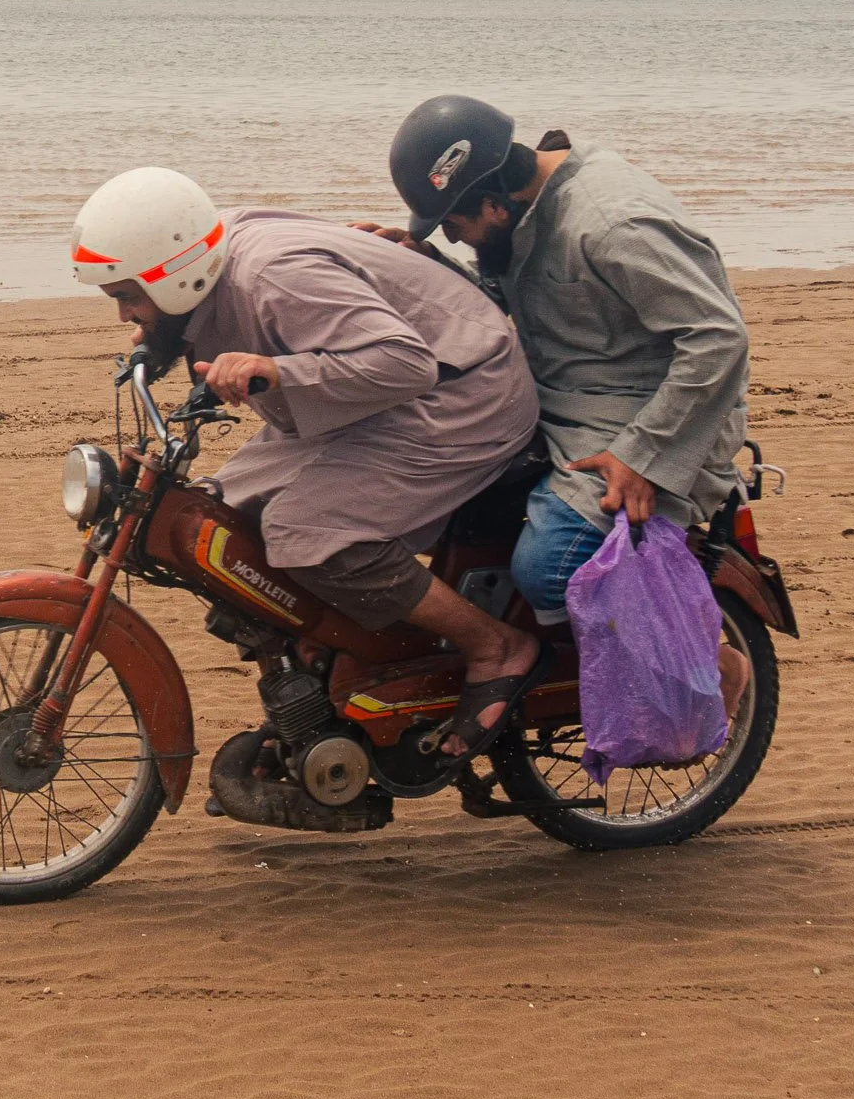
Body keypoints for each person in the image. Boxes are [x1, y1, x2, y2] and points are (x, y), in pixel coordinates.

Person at [70, 166, 545, 757]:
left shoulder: (275, 278)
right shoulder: (207, 261)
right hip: (375, 401)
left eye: (127, 297)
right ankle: (330, 659)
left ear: (174, 276)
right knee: (221, 515)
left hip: (464, 397)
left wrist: (277, 371)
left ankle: (494, 647)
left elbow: (406, 364)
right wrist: (163, 344)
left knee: (308, 533)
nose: (123, 317)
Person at [376, 96, 754, 710]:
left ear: (496, 203)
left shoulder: (613, 223)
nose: (453, 234)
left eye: (455, 226)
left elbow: (718, 339)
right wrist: (431, 264)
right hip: (563, 403)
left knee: (551, 568)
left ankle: (715, 665)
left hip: (649, 421)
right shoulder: (524, 210)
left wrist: (643, 455)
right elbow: (520, 295)